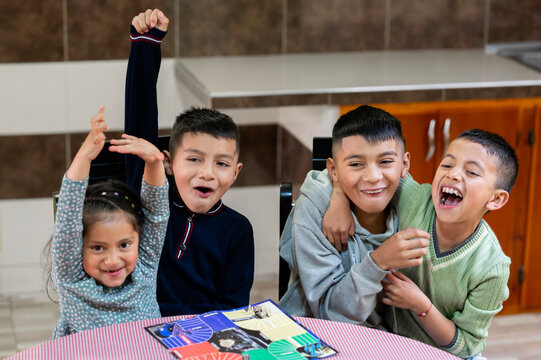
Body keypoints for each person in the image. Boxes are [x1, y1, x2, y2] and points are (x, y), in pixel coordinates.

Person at [324, 129, 516, 359]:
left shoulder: (492, 268)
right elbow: (353, 175)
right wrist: (338, 198)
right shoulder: (414, 198)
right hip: (387, 343)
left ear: (496, 199)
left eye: (471, 172)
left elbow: (467, 346)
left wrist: (421, 306)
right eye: (446, 165)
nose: (453, 175)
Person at [127, 9, 254, 316]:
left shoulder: (237, 231)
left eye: (222, 164)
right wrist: (145, 44)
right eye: (194, 159)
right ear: (167, 162)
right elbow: (140, 118)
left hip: (205, 340)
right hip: (140, 331)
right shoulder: (147, 202)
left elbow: (233, 310)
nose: (207, 173)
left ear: (236, 172)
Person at [279, 105, 429, 327]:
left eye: (385, 161)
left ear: (404, 164)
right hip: (315, 334)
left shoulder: (414, 204)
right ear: (334, 171)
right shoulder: (315, 210)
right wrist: (379, 261)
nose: (372, 176)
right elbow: (329, 315)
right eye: (356, 164)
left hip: (388, 340)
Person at [50, 106, 169, 338]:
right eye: (97, 248)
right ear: (78, 246)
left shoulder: (143, 268)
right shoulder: (71, 280)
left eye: (124, 245)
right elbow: (67, 222)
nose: (113, 260)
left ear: (139, 240)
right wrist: (84, 156)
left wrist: (154, 163)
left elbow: (157, 216)